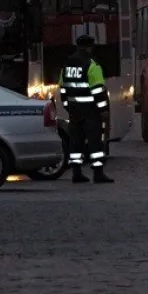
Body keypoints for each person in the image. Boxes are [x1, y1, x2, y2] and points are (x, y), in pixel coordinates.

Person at [58, 34, 114, 184]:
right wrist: (103, 110)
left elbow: (63, 89)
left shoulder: (67, 65)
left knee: (75, 142)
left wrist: (68, 106)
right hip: (91, 111)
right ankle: (98, 173)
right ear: (90, 47)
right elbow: (98, 91)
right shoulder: (92, 65)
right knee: (95, 142)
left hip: (74, 110)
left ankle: (76, 173)